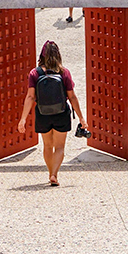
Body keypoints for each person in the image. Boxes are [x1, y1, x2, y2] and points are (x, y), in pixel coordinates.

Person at [16, 41, 87, 187]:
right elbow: (72, 97)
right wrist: (81, 117)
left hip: (43, 114)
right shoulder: (64, 72)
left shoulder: (35, 73)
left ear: (41, 55)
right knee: (59, 146)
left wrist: (23, 119)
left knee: (47, 145)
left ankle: (50, 174)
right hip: (61, 113)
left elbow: (30, 97)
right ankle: (54, 174)